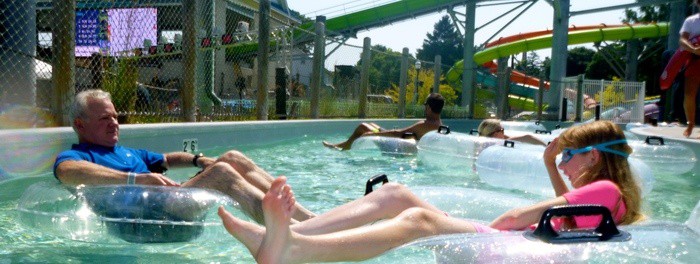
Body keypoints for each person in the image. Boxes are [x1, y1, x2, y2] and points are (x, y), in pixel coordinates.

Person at [218, 120, 644, 263]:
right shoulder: (609, 193)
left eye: (568, 156)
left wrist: (473, 230)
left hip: (509, 249)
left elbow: (517, 221)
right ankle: (291, 235)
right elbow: (564, 216)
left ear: (591, 157)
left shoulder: (604, 188)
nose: (564, 163)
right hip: (519, 247)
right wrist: (550, 164)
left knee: (418, 220)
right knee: (396, 194)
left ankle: (291, 250)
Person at [53, 89, 315, 224]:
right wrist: (136, 179)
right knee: (222, 174)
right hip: (148, 218)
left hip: (168, 202)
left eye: (114, 116)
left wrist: (198, 160)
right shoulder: (78, 154)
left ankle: (309, 220)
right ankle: (287, 230)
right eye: (104, 119)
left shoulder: (128, 151)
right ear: (80, 125)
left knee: (232, 158)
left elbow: (168, 159)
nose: (114, 123)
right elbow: (67, 172)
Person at [323, 93, 445, 150]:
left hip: (395, 147)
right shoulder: (439, 124)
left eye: (425, 105)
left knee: (363, 127)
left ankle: (342, 147)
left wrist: (373, 134)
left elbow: (398, 133)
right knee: (371, 125)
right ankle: (343, 144)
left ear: (428, 107)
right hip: (401, 144)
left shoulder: (424, 125)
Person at [680, 0, 700, 138]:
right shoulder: (691, 21)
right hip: (695, 59)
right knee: (689, 94)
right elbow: (682, 40)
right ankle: (691, 123)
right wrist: (693, 49)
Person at [477, 119, 547, 146]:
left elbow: (505, 137)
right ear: (496, 134)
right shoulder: (499, 144)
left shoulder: (480, 143)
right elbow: (528, 137)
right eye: (502, 130)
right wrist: (546, 146)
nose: (504, 133)